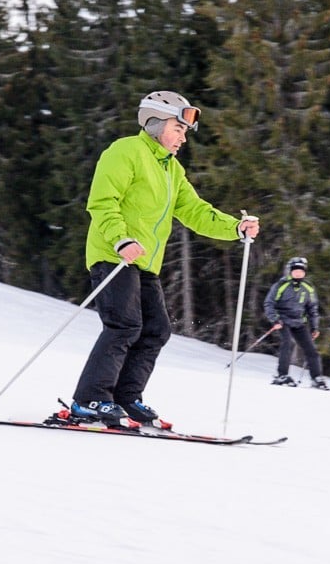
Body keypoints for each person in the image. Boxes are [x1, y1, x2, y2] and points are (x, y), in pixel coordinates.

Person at [70, 91, 260, 429]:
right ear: (155, 124)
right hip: (114, 255)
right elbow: (102, 201)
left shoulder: (172, 169)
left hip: (145, 263)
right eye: (178, 128)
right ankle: (89, 400)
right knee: (124, 326)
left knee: (156, 330)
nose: (183, 137)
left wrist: (235, 227)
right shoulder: (126, 151)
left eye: (185, 131)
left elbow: (195, 211)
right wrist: (120, 238)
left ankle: (126, 398)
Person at [263, 256, 327, 389]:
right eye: (295, 270)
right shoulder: (281, 285)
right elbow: (269, 303)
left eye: (301, 271)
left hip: (299, 322)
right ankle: (282, 375)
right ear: (290, 271)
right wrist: (275, 319)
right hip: (282, 320)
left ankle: (316, 378)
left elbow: (312, 309)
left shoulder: (307, 287)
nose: (298, 273)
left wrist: (315, 327)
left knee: (311, 350)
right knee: (288, 343)